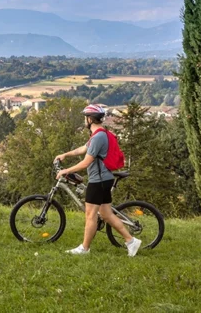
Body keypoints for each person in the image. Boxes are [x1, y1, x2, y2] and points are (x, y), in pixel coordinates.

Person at [54, 104, 141, 256]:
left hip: (98, 181)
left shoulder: (98, 137)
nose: (84, 120)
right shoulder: (99, 134)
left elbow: (86, 162)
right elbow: (82, 149)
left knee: (90, 215)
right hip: (103, 179)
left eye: (85, 117)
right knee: (107, 215)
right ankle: (131, 241)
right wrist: (65, 154)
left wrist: (65, 170)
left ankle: (85, 248)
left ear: (90, 119)